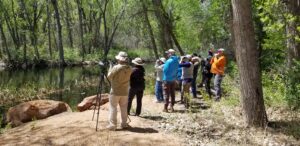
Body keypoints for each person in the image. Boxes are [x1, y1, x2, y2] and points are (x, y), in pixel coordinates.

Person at [107, 51, 132, 130]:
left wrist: (110, 67)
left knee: (113, 107)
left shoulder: (116, 67)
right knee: (124, 108)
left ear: (119, 59)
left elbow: (109, 76)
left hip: (115, 91)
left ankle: (112, 125)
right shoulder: (130, 68)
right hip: (125, 91)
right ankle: (124, 124)